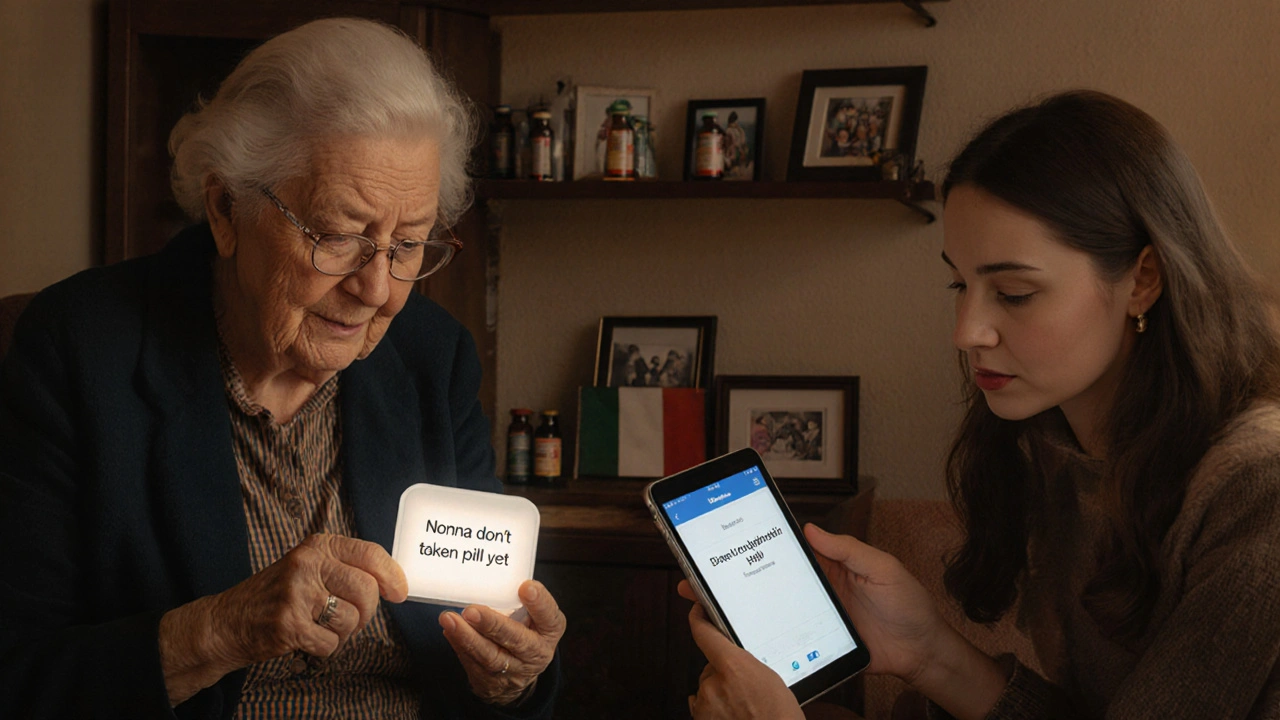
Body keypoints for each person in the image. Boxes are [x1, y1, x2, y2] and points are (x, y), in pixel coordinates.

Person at [0, 18, 565, 719]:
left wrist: (511, 677)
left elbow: (491, 636)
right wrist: (220, 630)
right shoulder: (81, 351)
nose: (377, 288)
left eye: (408, 244)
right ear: (225, 210)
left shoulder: (430, 355)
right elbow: (16, 676)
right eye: (337, 236)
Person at [683, 89, 1280, 719]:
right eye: (959, 284)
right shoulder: (1063, 443)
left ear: (1143, 279)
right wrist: (929, 654)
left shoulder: (1259, 487)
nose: (967, 331)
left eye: (1015, 293)